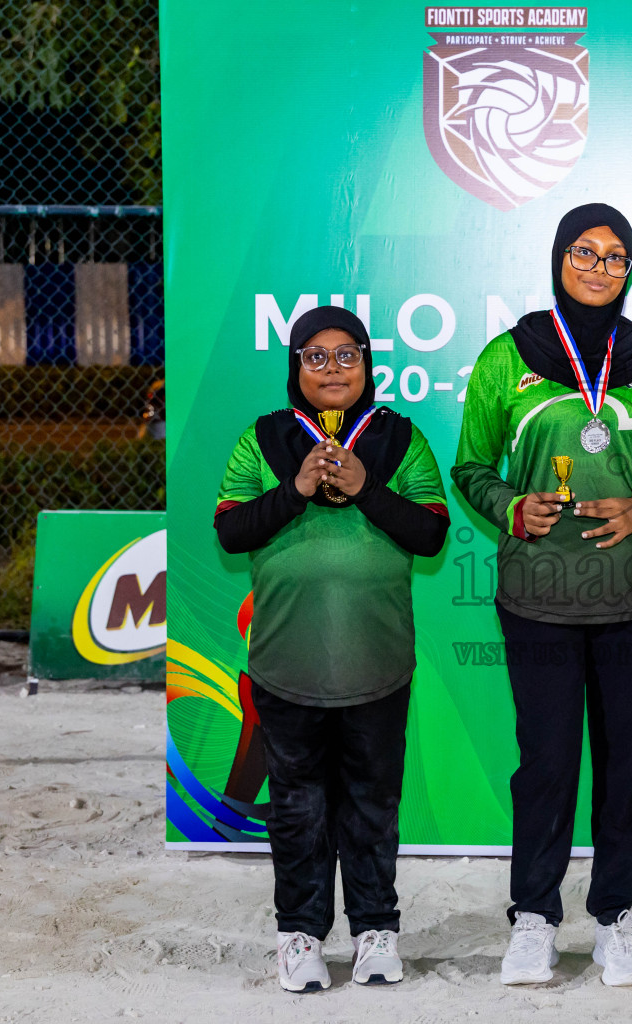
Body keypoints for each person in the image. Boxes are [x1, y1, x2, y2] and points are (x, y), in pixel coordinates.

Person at [451, 203, 632, 987]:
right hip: (538, 599)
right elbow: (471, 467)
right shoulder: (508, 357)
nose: (600, 267)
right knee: (546, 765)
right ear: (557, 258)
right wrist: (509, 508)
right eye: (584, 251)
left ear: (630, 270)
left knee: (627, 765)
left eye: (615, 257)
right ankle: (534, 918)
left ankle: (618, 920)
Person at [213, 305, 450, 993]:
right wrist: (295, 489)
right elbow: (231, 532)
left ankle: (376, 930)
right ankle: (301, 936)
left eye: (347, 354)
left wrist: (363, 488)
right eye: (315, 356)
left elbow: (431, 532)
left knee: (373, 802)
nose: (333, 369)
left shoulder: (400, 439)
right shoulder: (263, 439)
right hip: (287, 667)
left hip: (377, 667)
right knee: (297, 806)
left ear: (369, 364)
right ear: (295, 367)